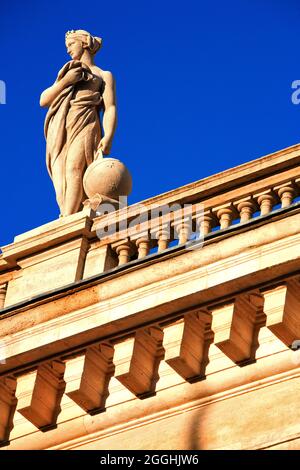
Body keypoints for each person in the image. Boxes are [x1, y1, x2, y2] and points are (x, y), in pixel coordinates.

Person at [40, 30, 117, 216]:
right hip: (60, 128)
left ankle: (67, 218)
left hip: (86, 123)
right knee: (61, 178)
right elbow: (43, 100)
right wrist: (66, 81)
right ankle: (67, 213)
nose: (68, 50)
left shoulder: (103, 75)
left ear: (83, 43)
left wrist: (109, 136)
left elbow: (110, 108)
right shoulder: (69, 70)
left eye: (70, 45)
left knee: (75, 167)